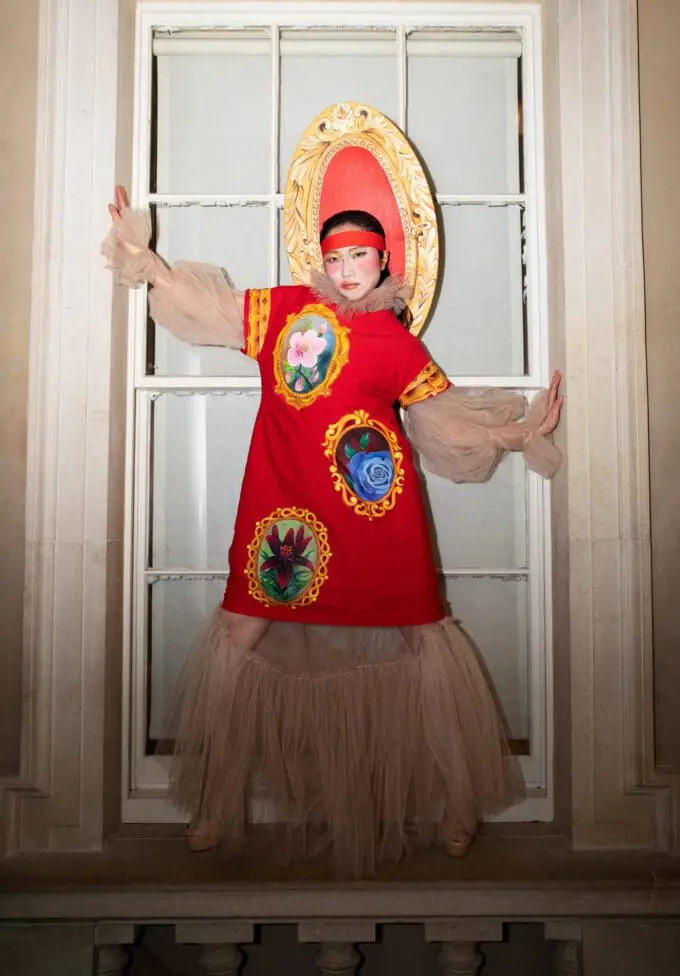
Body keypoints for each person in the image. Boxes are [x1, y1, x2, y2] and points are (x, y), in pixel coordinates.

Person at [103, 185, 563, 877]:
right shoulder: (285, 311)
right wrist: (146, 261)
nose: (346, 268)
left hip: (378, 518)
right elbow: (207, 310)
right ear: (319, 261)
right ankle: (215, 803)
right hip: (281, 511)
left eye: (359, 255)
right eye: (335, 256)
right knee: (238, 635)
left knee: (421, 637)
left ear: (383, 260)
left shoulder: (396, 343)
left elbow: (446, 425)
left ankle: (454, 805)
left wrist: (522, 430)